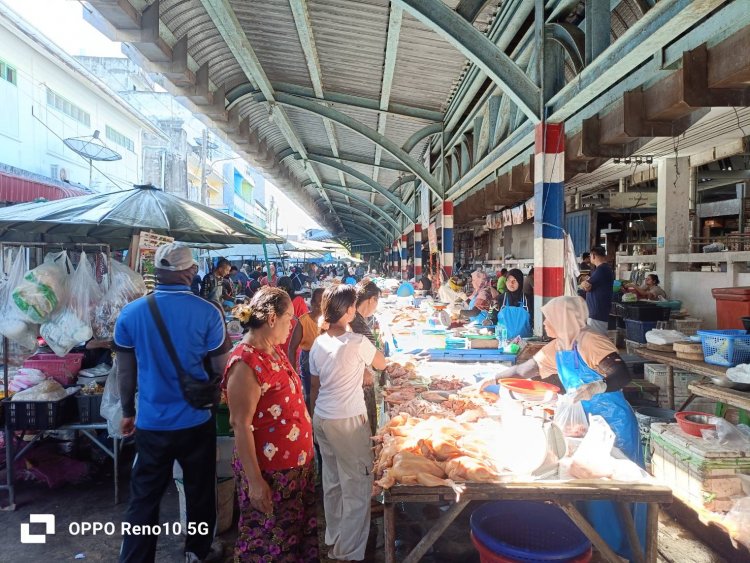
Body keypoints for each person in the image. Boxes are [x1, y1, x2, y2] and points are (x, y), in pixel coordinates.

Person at [481, 296, 642, 561]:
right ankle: (592, 543)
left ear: (564, 319)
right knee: (585, 484)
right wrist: (494, 377)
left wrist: (598, 386)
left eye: (549, 318)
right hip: (582, 424)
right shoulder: (559, 346)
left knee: (612, 489)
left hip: (613, 424)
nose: (545, 323)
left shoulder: (591, 341)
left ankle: (618, 549)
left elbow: (621, 374)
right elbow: (525, 370)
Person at [114, 243, 232, 563]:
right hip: (196, 420)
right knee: (199, 490)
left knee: (144, 497)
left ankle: (136, 559)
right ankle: (196, 552)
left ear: (156, 272)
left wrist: (127, 412)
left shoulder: (131, 313)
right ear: (190, 271)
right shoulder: (208, 312)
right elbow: (222, 367)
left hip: (151, 422)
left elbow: (125, 372)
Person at [223, 287, 318, 562]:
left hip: (295, 470)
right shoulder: (245, 362)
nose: (292, 325)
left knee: (294, 541)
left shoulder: (273, 350)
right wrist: (255, 481)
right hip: (271, 475)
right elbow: (240, 424)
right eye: (290, 318)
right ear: (273, 318)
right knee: (268, 545)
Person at [310, 285, 387, 562]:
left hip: (322, 418)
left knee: (332, 481)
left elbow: (315, 387)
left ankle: (335, 538)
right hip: (348, 421)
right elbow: (381, 364)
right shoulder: (356, 342)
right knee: (357, 485)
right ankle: (348, 551)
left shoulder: (319, 342)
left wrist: (313, 420)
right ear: (348, 310)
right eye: (353, 306)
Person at [350, 280, 382, 436]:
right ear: (371, 300)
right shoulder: (356, 323)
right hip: (360, 388)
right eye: (377, 301)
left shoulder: (357, 319)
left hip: (358, 385)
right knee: (365, 435)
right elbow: (379, 363)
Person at [288, 287, 324, 402]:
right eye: (317, 303)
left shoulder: (330, 321)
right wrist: (293, 373)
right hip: (307, 358)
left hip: (325, 358)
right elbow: (292, 348)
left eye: (323, 303)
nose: (320, 306)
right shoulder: (303, 320)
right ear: (312, 303)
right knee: (310, 392)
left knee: (323, 392)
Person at [580, 246, 613, 336]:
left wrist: (583, 283)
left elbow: (587, 286)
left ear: (593, 255)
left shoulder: (602, 269)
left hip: (597, 312)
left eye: (590, 256)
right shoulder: (603, 269)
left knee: (597, 339)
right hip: (598, 311)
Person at [278, 276, 309, 363]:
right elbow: (305, 318)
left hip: (279, 337)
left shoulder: (277, 301)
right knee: (293, 360)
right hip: (295, 336)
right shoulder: (298, 300)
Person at [497, 269, 532, 338]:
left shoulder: (528, 299)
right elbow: (493, 318)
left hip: (525, 342)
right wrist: (489, 321)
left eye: (514, 280)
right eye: (508, 280)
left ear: (520, 282)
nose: (511, 283)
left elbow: (534, 321)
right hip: (504, 341)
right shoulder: (500, 299)